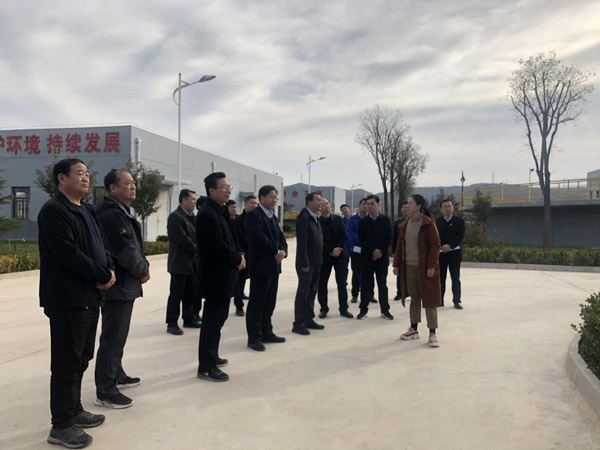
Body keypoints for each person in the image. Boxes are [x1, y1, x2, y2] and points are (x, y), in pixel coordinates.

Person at [38, 158, 115, 448]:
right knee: (65, 363)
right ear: (61, 178)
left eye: (87, 173)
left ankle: (74, 410)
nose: (86, 178)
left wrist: (109, 269)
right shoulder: (54, 210)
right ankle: (61, 425)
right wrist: (101, 275)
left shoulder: (88, 210)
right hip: (67, 299)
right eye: (79, 173)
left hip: (90, 296)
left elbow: (103, 245)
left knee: (82, 358)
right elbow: (68, 254)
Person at [95, 169, 150, 409]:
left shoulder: (120, 211)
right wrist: (142, 269)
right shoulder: (111, 215)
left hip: (125, 284)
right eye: (127, 183)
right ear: (113, 188)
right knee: (113, 337)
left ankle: (117, 374)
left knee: (118, 335)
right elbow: (126, 251)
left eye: (133, 183)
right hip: (117, 285)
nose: (133, 186)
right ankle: (106, 390)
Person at [196, 172, 245, 382]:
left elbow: (230, 240)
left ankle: (212, 355)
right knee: (212, 322)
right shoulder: (206, 214)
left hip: (225, 275)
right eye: (224, 187)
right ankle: (206, 367)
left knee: (219, 319)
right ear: (211, 190)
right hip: (215, 276)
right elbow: (216, 245)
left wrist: (239, 254)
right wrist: (237, 258)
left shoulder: (221, 210)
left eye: (229, 187)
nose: (228, 190)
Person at [393, 194, 442, 348]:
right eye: (407, 203)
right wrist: (396, 264)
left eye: (410, 203)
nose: (407, 206)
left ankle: (432, 333)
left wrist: (431, 266)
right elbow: (400, 246)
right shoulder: (405, 224)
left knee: (429, 299)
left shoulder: (428, 223)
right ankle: (413, 329)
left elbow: (435, 246)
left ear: (419, 206)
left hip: (424, 268)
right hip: (409, 267)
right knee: (414, 298)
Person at [245, 186, 288, 351]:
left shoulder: (273, 217)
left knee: (269, 302)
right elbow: (257, 238)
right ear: (261, 198)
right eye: (271, 197)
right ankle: (254, 337)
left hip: (274, 266)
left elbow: (281, 237)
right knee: (257, 303)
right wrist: (275, 251)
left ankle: (267, 332)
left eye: (276, 197)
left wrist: (283, 251)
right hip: (261, 266)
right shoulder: (254, 216)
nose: (274, 200)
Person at [165, 189, 199, 335]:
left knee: (190, 293)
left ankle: (188, 318)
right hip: (179, 262)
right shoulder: (175, 217)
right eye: (192, 200)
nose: (194, 203)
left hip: (192, 263)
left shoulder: (192, 218)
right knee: (176, 294)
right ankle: (172, 323)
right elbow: (182, 239)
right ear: (183, 200)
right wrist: (198, 249)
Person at [292, 192, 324, 335]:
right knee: (304, 293)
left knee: (312, 292)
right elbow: (302, 243)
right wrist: (304, 262)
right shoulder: (304, 218)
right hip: (307, 263)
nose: (320, 203)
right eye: (318, 200)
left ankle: (308, 319)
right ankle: (298, 323)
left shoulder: (315, 217)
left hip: (316, 262)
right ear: (309, 202)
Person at [356, 195, 393, 320]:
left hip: (382, 258)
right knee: (366, 284)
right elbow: (362, 239)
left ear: (378, 204)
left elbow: (389, 238)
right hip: (367, 257)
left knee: (382, 284)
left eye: (372, 204)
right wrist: (373, 250)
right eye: (367, 204)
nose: (369, 206)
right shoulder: (363, 222)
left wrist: (380, 250)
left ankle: (385, 310)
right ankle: (363, 310)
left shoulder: (386, 220)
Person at [317, 198, 352, 319]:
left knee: (342, 283)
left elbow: (344, 235)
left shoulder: (337, 219)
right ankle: (323, 308)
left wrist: (338, 249)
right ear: (319, 207)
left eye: (327, 203)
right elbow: (319, 240)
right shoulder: (317, 222)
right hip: (325, 256)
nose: (326, 206)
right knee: (322, 284)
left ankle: (344, 308)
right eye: (323, 204)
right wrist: (331, 250)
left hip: (340, 255)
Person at [436, 198, 465, 309]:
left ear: (453, 208)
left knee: (455, 277)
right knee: (440, 278)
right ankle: (439, 300)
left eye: (449, 206)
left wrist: (450, 246)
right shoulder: (437, 222)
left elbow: (460, 236)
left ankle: (456, 301)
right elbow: (435, 237)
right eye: (445, 206)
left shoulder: (459, 221)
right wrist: (442, 246)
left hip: (454, 253)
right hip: (441, 253)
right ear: (441, 209)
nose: (447, 208)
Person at [233, 195, 258, 317]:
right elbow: (238, 238)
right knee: (240, 281)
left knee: (256, 281)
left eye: (256, 203)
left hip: (257, 255)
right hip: (244, 254)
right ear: (245, 204)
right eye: (251, 203)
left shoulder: (259, 218)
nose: (254, 205)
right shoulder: (239, 220)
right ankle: (239, 306)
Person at [347, 198, 367, 303]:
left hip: (368, 250)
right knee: (356, 273)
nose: (366, 206)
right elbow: (350, 232)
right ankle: (355, 294)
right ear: (359, 206)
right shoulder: (353, 219)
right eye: (364, 204)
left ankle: (369, 294)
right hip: (356, 249)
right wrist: (362, 241)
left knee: (368, 273)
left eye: (368, 204)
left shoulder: (371, 218)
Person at [193, 196, 208, 323]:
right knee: (194, 290)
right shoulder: (199, 219)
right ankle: (194, 313)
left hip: (201, 260)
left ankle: (195, 313)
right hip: (193, 260)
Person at [391, 201, 410, 300]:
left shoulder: (415, 220)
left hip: (412, 252)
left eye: (407, 207)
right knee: (400, 273)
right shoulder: (397, 222)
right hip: (400, 251)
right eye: (403, 208)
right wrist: (394, 252)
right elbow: (394, 238)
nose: (405, 209)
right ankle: (400, 292)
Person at [339, 203, 352, 284]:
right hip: (345, 247)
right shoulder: (341, 221)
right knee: (344, 266)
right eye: (342, 209)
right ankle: (344, 281)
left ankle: (359, 283)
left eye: (346, 208)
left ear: (349, 209)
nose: (344, 210)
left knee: (357, 266)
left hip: (354, 246)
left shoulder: (354, 220)